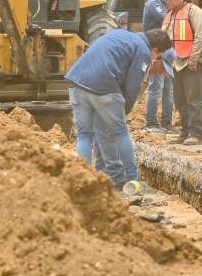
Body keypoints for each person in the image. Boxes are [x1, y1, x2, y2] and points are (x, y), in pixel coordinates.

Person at [65, 28, 173, 188]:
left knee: (85, 135)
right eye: (157, 57)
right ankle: (131, 179)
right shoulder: (143, 50)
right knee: (120, 132)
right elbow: (132, 87)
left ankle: (85, 180)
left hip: (77, 81)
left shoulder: (121, 35)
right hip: (104, 85)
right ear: (155, 50)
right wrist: (124, 112)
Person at [161, 0, 202, 145]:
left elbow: (201, 36)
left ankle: (196, 133)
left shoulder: (194, 12)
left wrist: (194, 59)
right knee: (180, 100)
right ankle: (185, 132)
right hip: (176, 63)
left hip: (190, 62)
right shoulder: (170, 15)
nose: (167, 1)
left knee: (193, 100)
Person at [142, 0, 175, 133]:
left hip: (166, 51)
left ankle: (166, 123)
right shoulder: (153, 4)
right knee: (156, 88)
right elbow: (168, 21)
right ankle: (150, 124)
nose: (170, 1)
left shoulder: (161, 4)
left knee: (168, 90)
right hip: (156, 52)